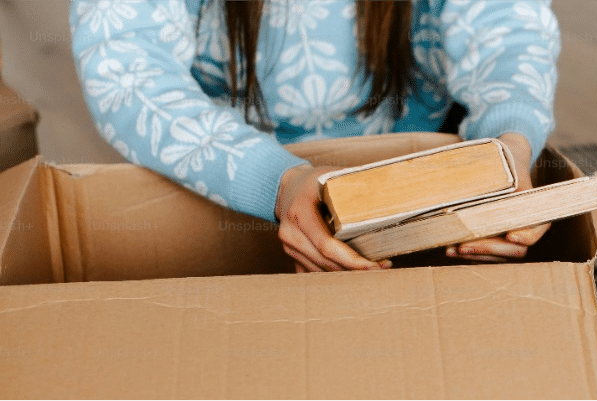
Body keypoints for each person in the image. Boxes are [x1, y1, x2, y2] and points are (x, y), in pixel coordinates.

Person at [71, 0, 560, 272]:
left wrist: (508, 144)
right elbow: (128, 70)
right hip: (223, 178)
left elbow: (507, 29)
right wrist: (278, 181)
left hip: (421, 167)